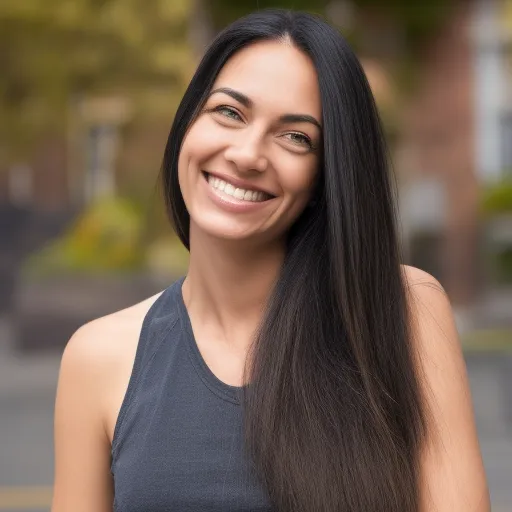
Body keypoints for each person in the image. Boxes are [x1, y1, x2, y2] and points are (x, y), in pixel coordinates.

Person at [51, 9, 490, 512]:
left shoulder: (404, 310)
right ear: (187, 124)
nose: (247, 154)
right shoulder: (98, 357)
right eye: (229, 112)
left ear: (325, 179)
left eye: (296, 137)